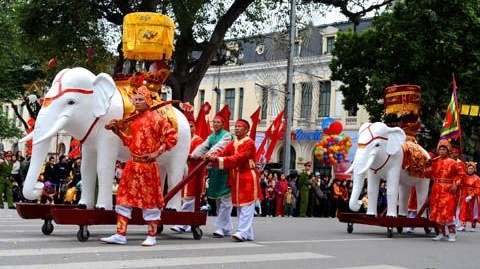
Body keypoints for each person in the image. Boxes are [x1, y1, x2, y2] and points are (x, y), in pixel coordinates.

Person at [101, 86, 178, 246]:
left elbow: (172, 136)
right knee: (123, 199)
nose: (136, 102)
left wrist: (157, 152)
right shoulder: (135, 120)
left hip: (147, 167)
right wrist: (119, 133)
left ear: (148, 101)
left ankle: (152, 236)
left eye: (140, 99)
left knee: (150, 202)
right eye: (135, 99)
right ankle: (120, 234)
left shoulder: (157, 119)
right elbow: (131, 142)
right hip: (132, 165)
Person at [206, 119, 263, 241]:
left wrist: (218, 160)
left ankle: (242, 232)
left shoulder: (249, 143)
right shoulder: (232, 143)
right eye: (236, 126)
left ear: (246, 130)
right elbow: (223, 153)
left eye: (239, 126)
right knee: (239, 206)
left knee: (247, 205)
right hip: (236, 178)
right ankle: (247, 233)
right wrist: (210, 158)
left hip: (247, 177)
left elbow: (239, 158)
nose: (236, 128)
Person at [190, 110, 233, 238]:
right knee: (218, 200)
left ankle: (220, 227)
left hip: (225, 170)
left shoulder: (227, 135)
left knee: (225, 200)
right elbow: (204, 146)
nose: (215, 124)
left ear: (223, 124)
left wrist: (208, 155)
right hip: (215, 170)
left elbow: (219, 147)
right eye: (214, 121)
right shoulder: (211, 136)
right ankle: (227, 228)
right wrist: (194, 154)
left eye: (218, 122)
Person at [424, 139, 465, 242]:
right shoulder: (435, 162)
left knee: (447, 212)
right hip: (436, 189)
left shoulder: (453, 163)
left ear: (448, 151)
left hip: (448, 189)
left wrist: (455, 184)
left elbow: (461, 175)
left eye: (444, 149)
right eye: (440, 149)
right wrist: (427, 165)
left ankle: (452, 233)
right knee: (436, 211)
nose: (441, 151)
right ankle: (441, 233)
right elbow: (427, 174)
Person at [171, 117, 206, 233]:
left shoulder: (198, 140)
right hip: (181, 171)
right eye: (188, 126)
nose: (189, 128)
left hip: (193, 171)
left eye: (191, 126)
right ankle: (184, 222)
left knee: (190, 198)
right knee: (182, 197)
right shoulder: (180, 138)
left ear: (194, 128)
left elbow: (197, 155)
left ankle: (183, 223)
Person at [457, 161, 480, 232]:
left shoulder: (477, 178)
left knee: (474, 211)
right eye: (469, 168)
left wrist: (471, 195)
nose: (470, 170)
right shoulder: (464, 177)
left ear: (474, 169)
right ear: (467, 169)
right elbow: (460, 183)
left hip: (473, 197)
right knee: (464, 210)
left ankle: (473, 227)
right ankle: (463, 225)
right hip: (464, 195)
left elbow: (478, 188)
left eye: (472, 168)